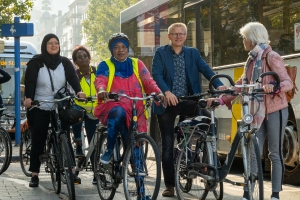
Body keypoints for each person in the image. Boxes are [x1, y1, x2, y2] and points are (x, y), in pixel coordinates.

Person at [206, 22, 293, 200]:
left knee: (275, 153)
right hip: (256, 111)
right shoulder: (251, 60)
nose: (243, 41)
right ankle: (248, 192)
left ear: (253, 39)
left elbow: (287, 83)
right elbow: (242, 84)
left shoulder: (272, 56)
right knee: (253, 151)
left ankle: (275, 194)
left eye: (245, 38)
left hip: (276, 109)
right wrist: (222, 99)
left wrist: (273, 86)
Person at [151, 22, 226, 197]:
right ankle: (170, 185)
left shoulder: (192, 53)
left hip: (189, 100)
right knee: (168, 145)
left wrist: (219, 85)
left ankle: (197, 156)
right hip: (167, 103)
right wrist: (167, 92)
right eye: (175, 34)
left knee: (210, 121)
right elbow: (157, 74)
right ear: (169, 36)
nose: (178, 36)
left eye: (182, 34)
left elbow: (206, 69)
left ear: (186, 36)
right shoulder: (161, 53)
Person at [24, 33, 86, 187]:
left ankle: (71, 171)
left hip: (60, 105)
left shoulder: (64, 62)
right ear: (45, 45)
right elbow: (30, 82)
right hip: (40, 104)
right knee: (39, 138)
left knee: (64, 135)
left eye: (56, 43)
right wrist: (28, 98)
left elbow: (72, 78)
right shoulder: (36, 62)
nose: (53, 45)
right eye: (50, 43)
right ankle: (34, 175)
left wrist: (79, 91)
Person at [94, 32, 166, 164]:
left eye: (123, 47)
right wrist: (102, 90)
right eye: (116, 47)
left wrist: (158, 92)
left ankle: (139, 181)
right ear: (112, 50)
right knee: (118, 113)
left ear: (128, 48)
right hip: (113, 104)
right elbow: (100, 80)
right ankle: (109, 150)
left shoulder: (137, 64)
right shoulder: (105, 65)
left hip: (136, 107)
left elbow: (148, 81)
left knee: (135, 146)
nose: (120, 50)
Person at [71, 46, 99, 184]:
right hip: (80, 106)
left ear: (89, 57)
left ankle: (96, 174)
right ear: (75, 61)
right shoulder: (74, 75)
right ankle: (78, 144)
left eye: (85, 56)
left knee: (94, 143)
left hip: (94, 109)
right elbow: (71, 90)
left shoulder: (97, 72)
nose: (83, 59)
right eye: (79, 57)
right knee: (76, 113)